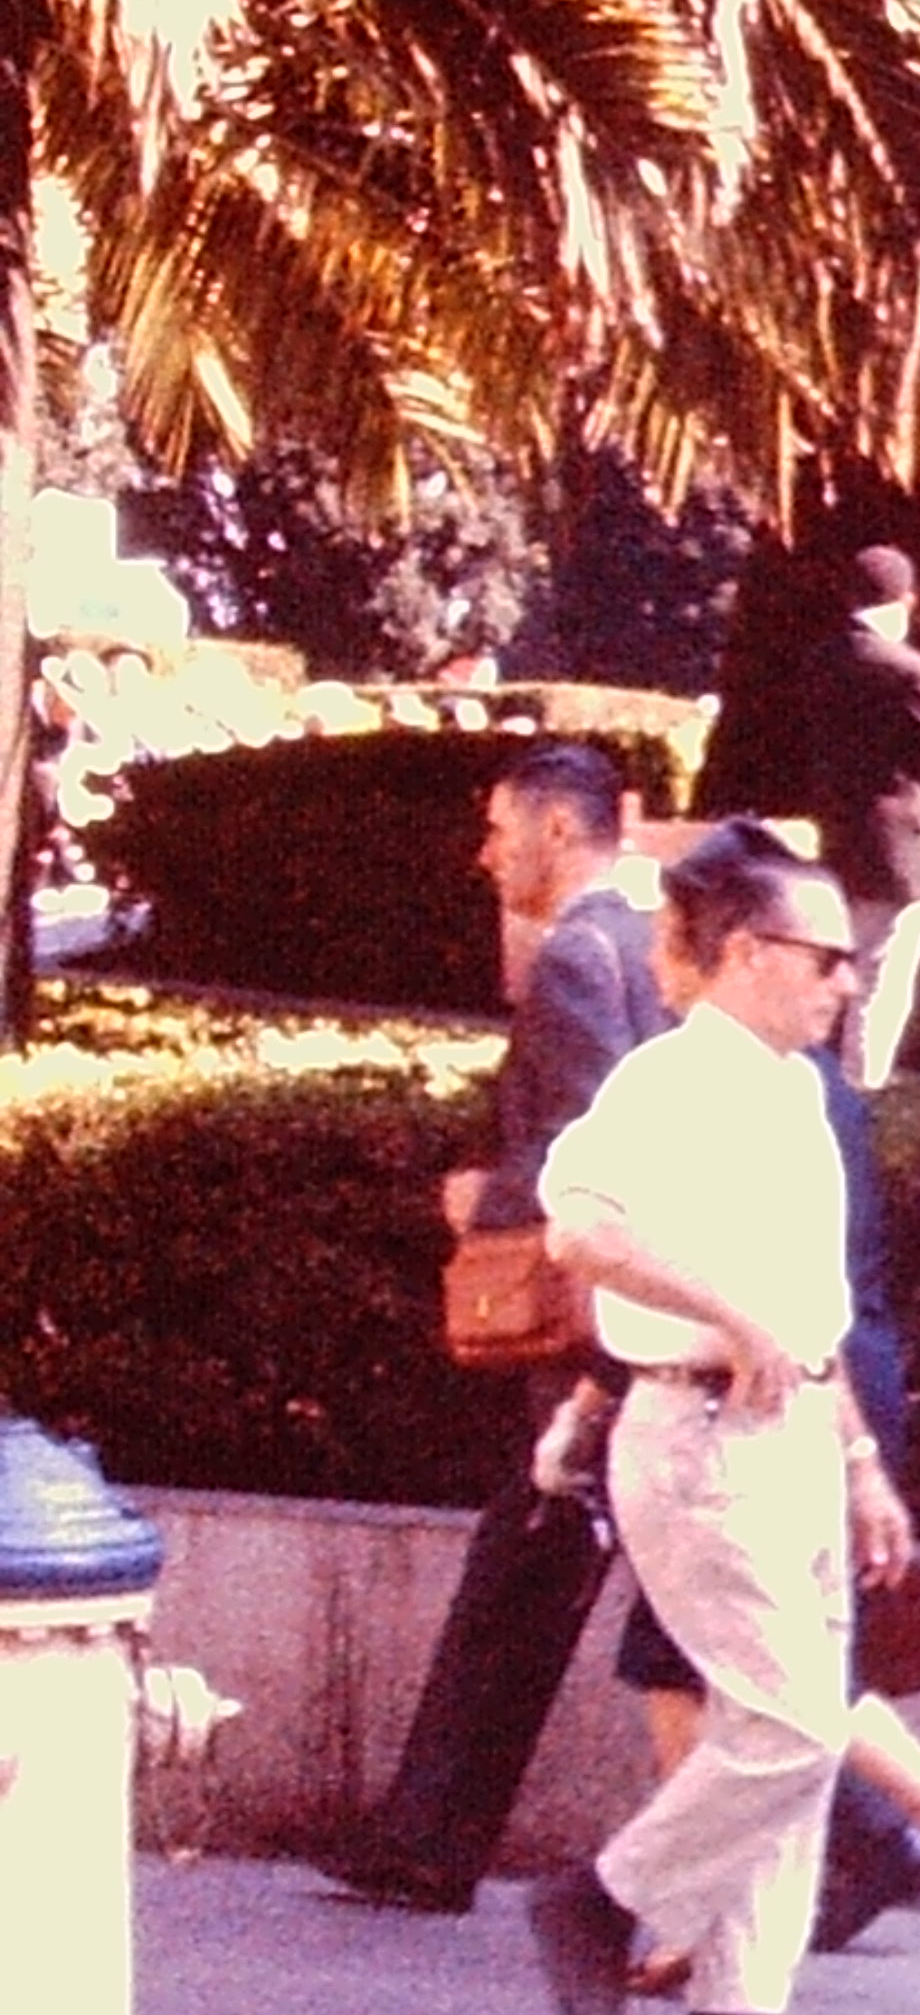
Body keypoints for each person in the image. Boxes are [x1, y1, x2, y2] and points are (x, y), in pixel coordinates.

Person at [521, 828, 910, 2015]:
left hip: (794, 1435)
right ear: (746, 953)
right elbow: (581, 1233)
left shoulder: (796, 1093)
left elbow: (810, 1313)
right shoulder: (669, 1084)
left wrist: (859, 1462)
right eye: (826, 958)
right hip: (698, 1435)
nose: (847, 980)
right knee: (791, 1722)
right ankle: (601, 1901)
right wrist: (729, 1319)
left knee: (783, 1726)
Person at [327, 746, 664, 1914]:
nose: (484, 855)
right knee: (579, 1567)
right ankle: (424, 1838)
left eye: (498, 829)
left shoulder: (576, 954)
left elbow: (590, 1143)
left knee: (573, 1565)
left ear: (559, 831)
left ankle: (426, 1841)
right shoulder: (655, 939)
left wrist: (488, 1199)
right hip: (653, 1316)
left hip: (592, 1325)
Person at [805, 544, 920, 1089]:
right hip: (896, 844)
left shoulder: (821, 659)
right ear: (907, 600)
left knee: (834, 972)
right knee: (881, 984)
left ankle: (818, 1081)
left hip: (839, 833)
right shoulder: (907, 670)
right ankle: (864, 1094)